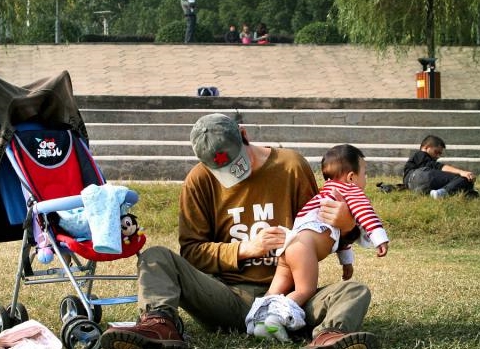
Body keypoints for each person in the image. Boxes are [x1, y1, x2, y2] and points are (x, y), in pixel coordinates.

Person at [99, 113, 379, 349]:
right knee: (156, 256)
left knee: (354, 291)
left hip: (289, 302)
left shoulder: (290, 166)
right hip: (227, 297)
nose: (232, 173)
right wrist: (245, 249)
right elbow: (192, 251)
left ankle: (329, 337)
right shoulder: (199, 180)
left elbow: (315, 234)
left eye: (235, 163)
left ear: (244, 134)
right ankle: (159, 326)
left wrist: (347, 226)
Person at [246, 144, 389, 342]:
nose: (365, 179)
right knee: (305, 290)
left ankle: (257, 323)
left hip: (290, 244)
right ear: (350, 177)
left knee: (275, 290)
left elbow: (337, 234)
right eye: (364, 173)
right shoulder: (351, 190)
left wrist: (346, 261)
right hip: (305, 248)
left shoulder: (324, 194)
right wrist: (379, 237)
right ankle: (275, 319)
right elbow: (365, 212)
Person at [403, 135, 478, 199]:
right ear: (426, 147)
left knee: (467, 188)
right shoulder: (421, 154)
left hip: (413, 186)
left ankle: (437, 193)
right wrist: (461, 172)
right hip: (420, 175)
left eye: (440, 154)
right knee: (464, 178)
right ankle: (441, 194)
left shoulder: (415, 161)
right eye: (436, 152)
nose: (438, 156)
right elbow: (437, 166)